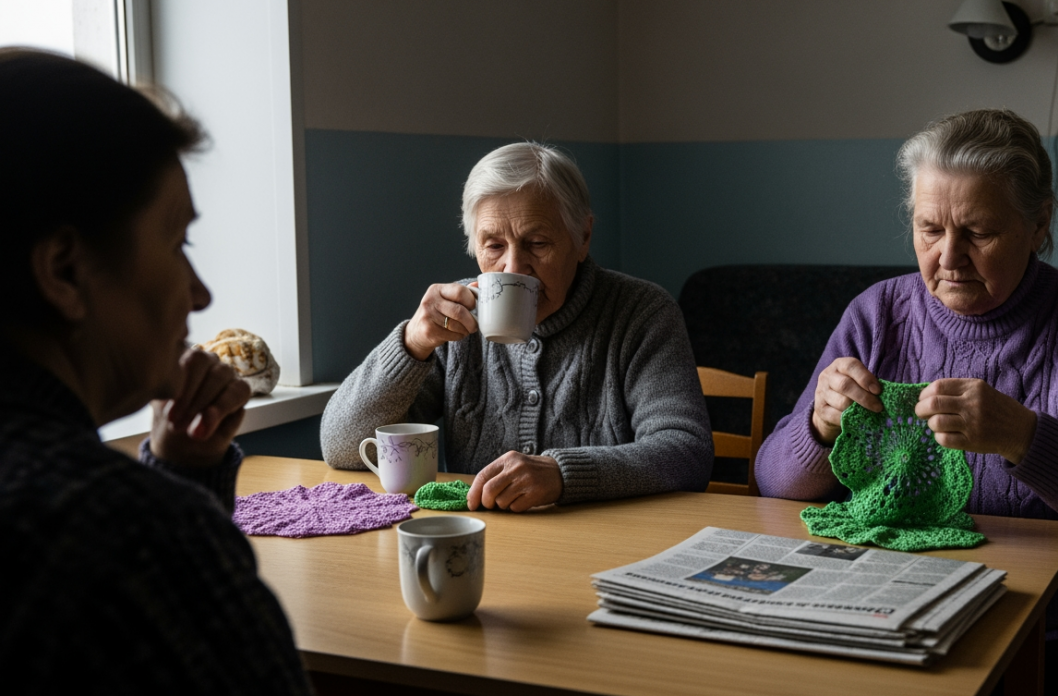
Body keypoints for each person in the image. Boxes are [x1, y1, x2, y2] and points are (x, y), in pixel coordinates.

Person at [755, 109, 1058, 692]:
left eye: (979, 233)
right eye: (929, 229)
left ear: (1038, 224)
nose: (948, 257)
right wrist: (818, 427)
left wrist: (1027, 438)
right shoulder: (876, 314)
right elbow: (773, 481)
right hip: (889, 618)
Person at [0, 49, 311, 693]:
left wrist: (184, 474)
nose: (199, 295)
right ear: (63, 271)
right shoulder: (131, 538)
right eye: (177, 245)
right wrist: (171, 507)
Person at [321, 142, 712, 511]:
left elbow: (687, 452)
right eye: (493, 246)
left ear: (583, 238)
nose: (514, 267)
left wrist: (563, 474)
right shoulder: (454, 318)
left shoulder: (641, 312)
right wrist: (411, 344)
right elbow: (339, 446)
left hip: (607, 545)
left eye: (537, 243)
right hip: (482, 540)